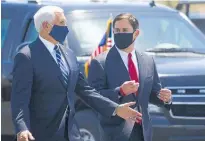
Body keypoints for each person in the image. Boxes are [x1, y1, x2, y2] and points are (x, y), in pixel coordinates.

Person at [11, 7, 141, 141]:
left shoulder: (68, 54)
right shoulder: (27, 57)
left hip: (70, 133)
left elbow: (85, 91)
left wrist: (116, 109)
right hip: (40, 134)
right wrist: (22, 128)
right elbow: (19, 100)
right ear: (46, 26)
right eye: (62, 23)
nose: (66, 27)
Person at [87, 13, 172, 141]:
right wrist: (120, 92)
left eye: (125, 30)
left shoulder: (148, 60)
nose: (120, 34)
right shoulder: (100, 62)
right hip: (116, 133)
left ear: (136, 33)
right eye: (117, 31)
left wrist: (165, 99)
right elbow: (93, 98)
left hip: (143, 132)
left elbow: (153, 93)